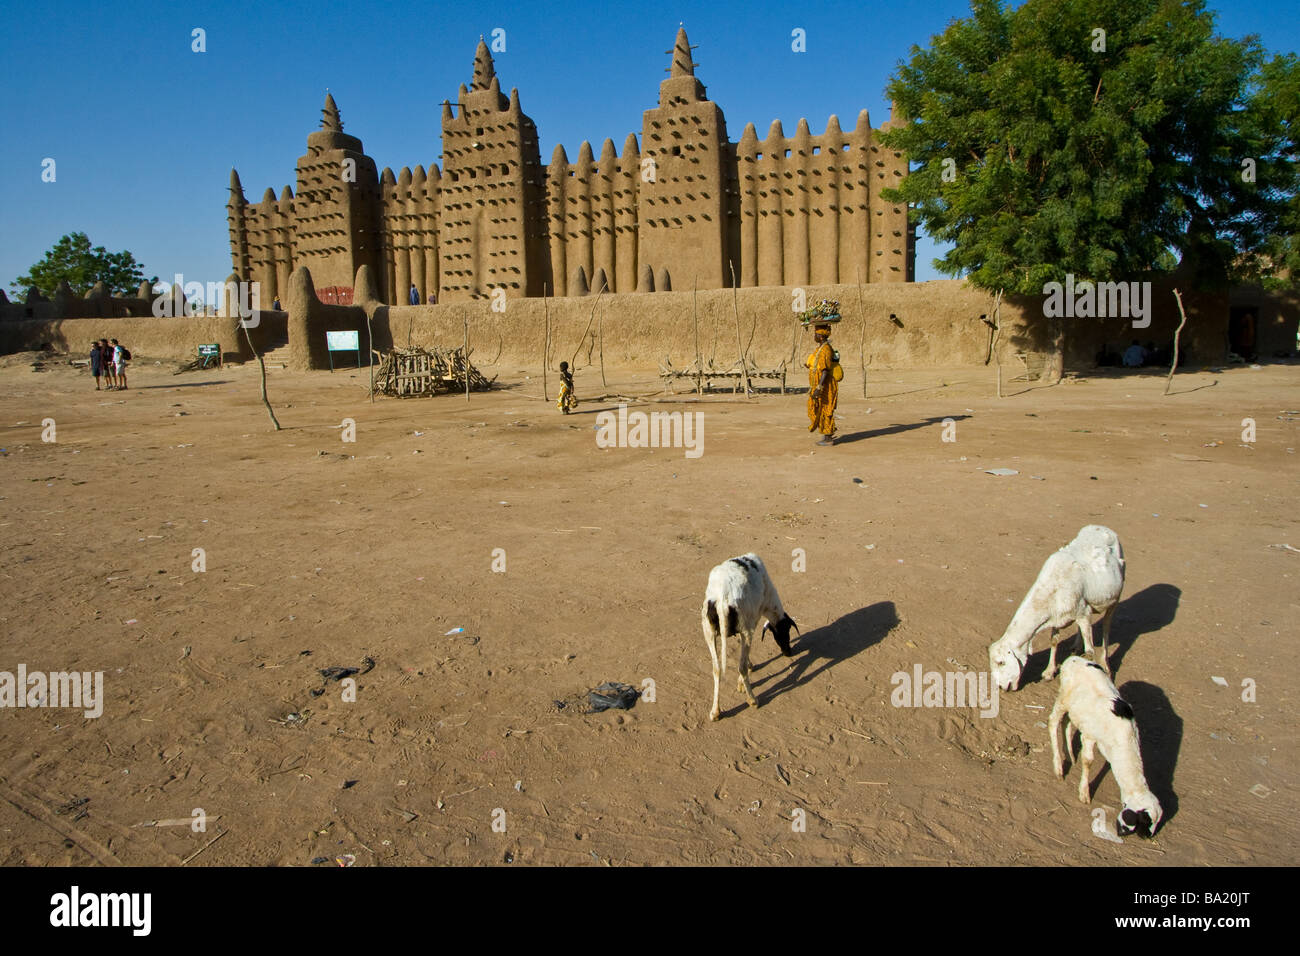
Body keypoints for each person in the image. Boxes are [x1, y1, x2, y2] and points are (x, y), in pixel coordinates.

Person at [806, 323, 838, 445]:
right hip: (819, 383)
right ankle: (826, 434)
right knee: (817, 407)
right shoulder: (820, 348)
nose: (814, 336)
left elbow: (825, 370)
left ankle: (828, 437)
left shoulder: (825, 349)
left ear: (820, 336)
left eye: (816, 334)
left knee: (826, 408)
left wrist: (819, 387)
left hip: (825, 385)